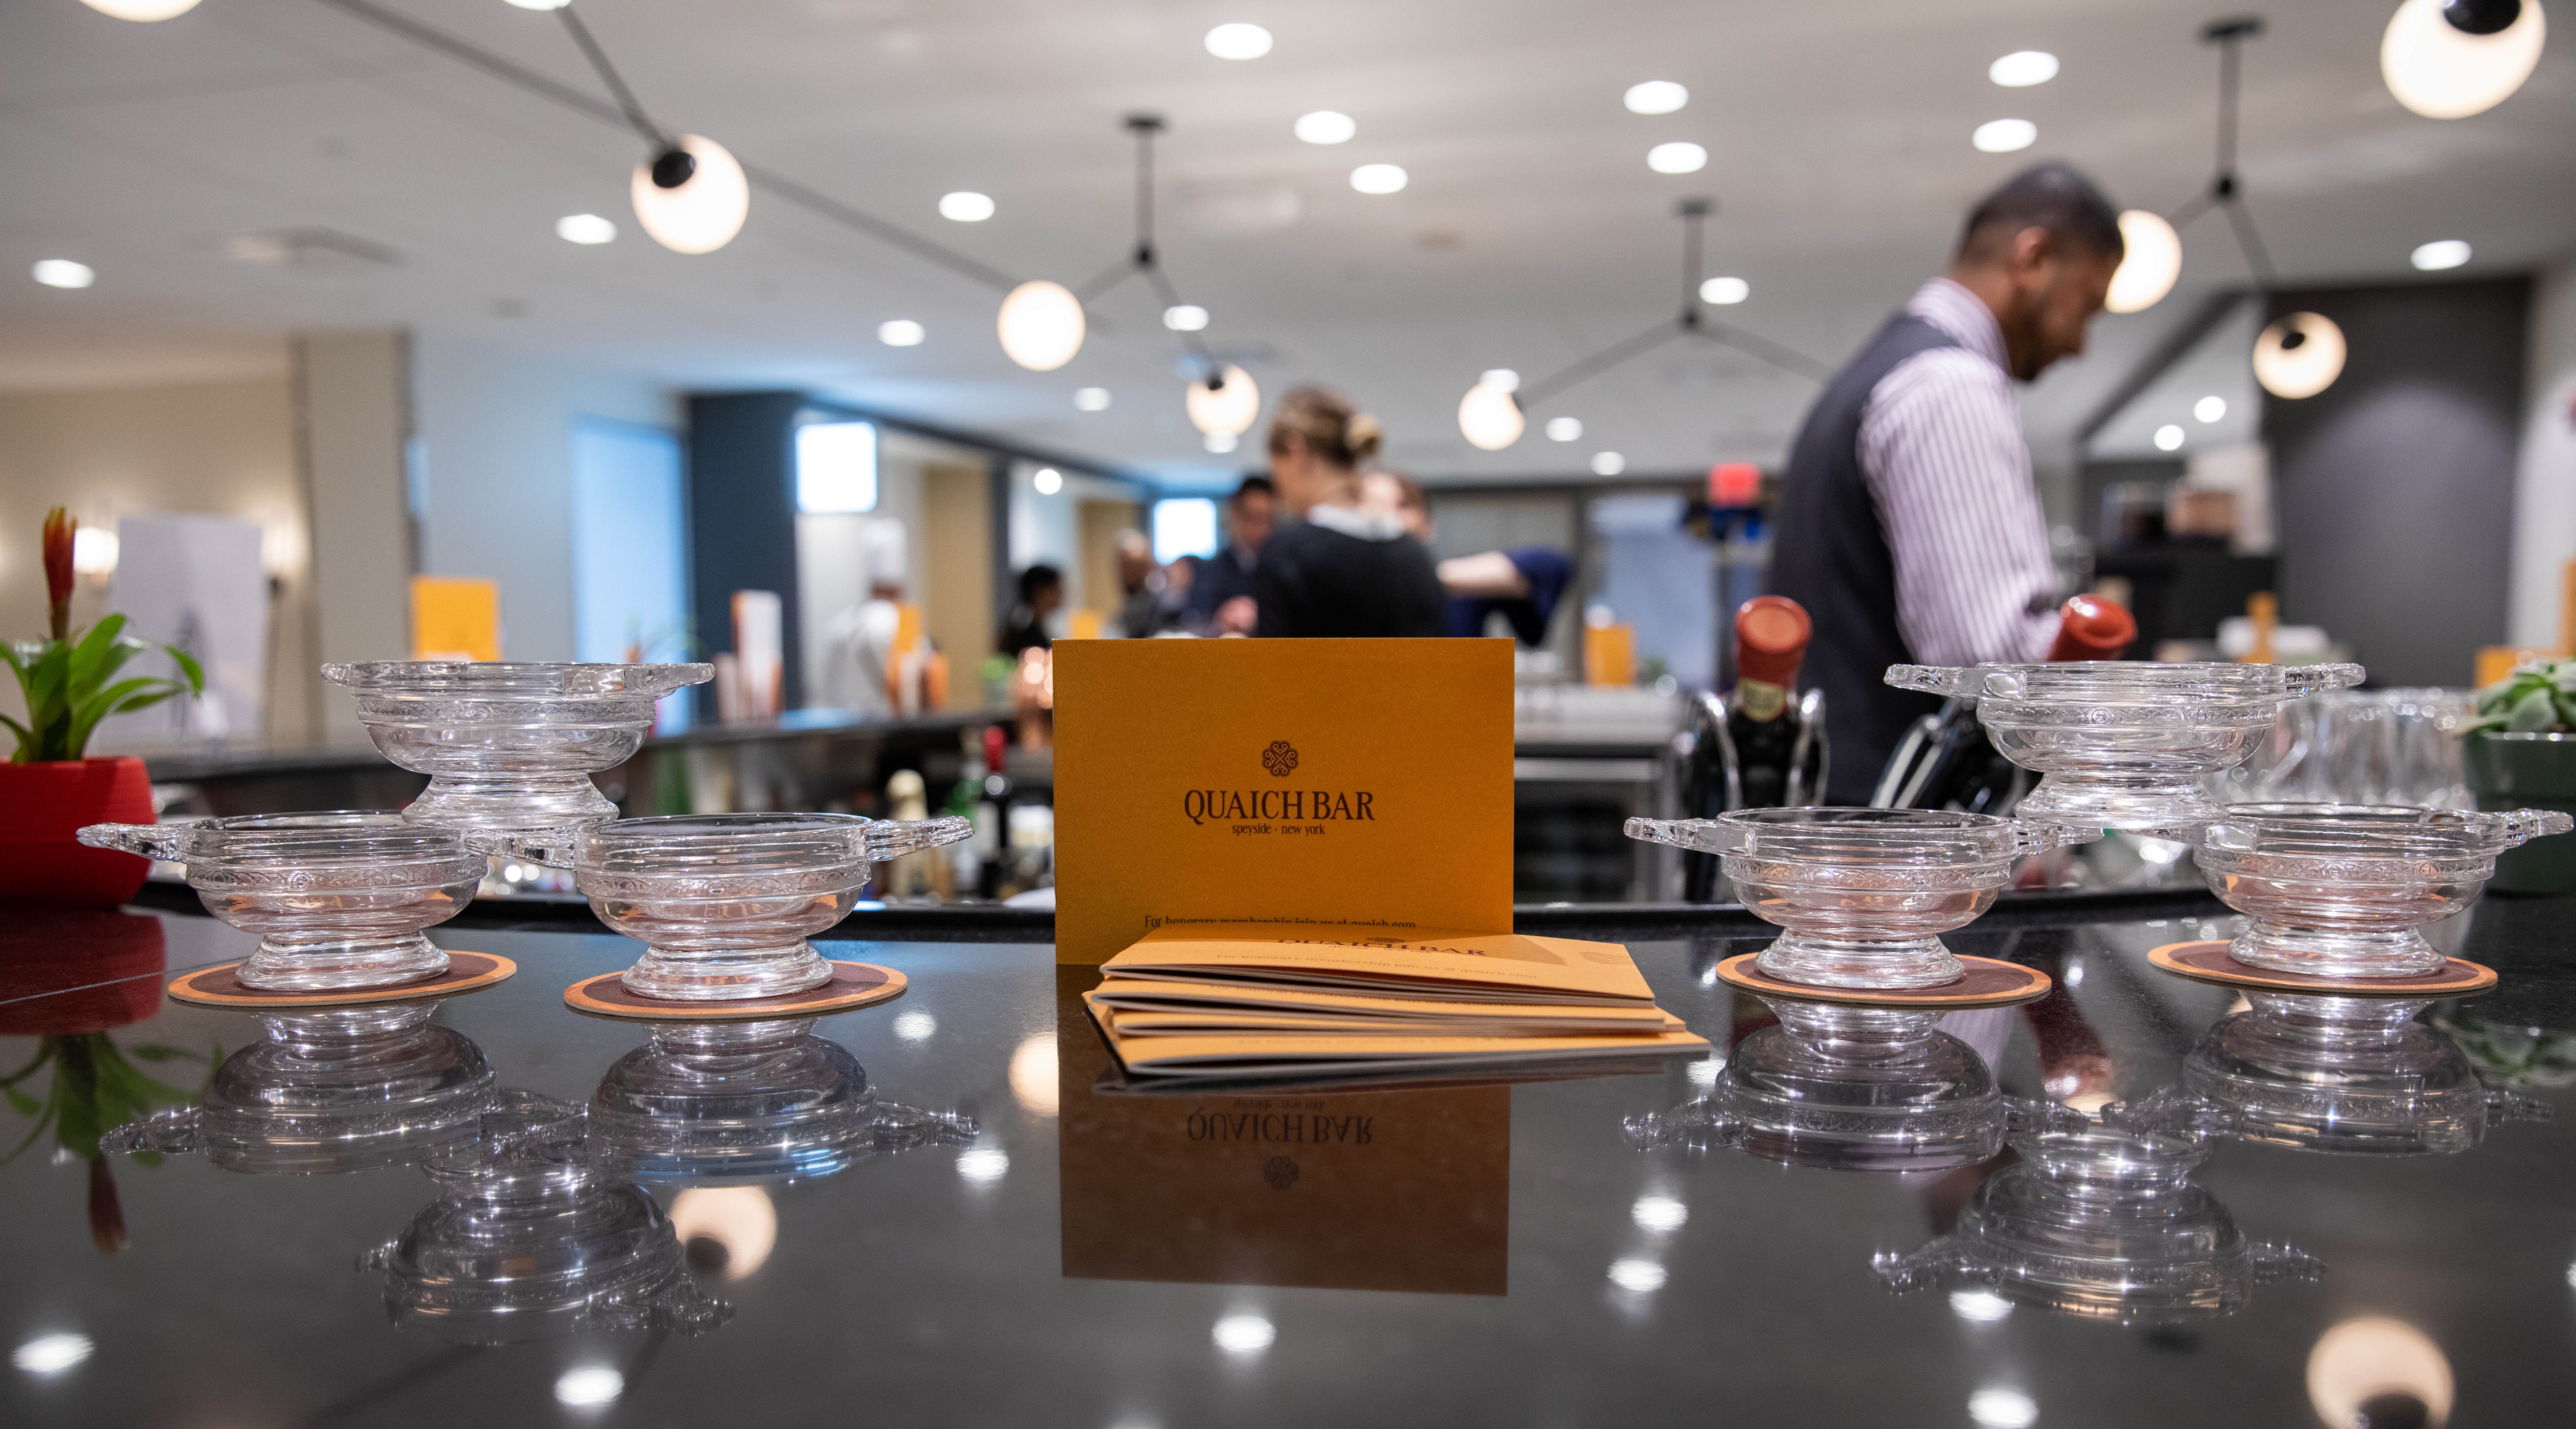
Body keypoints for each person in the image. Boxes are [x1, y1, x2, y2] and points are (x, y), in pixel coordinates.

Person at [1768, 161, 2123, 804]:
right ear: (2034, 258)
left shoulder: (1886, 369)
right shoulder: (1950, 387)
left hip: (1841, 828)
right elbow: (1989, 665)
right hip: (1891, 853)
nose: (2080, 344)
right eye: (2088, 304)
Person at [1254, 388, 1444, 639]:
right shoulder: (1415, 554)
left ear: (1297, 451)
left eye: (1275, 468)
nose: (1278, 486)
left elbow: (1273, 671)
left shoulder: (1287, 553)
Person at [1187, 475, 1277, 635]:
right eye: (1252, 517)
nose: (1260, 527)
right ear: (1236, 515)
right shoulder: (1209, 570)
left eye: (1267, 519)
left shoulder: (1283, 571)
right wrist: (1221, 620)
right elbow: (1192, 625)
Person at [999, 564, 1061, 657]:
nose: (1061, 594)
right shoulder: (1030, 638)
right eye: (1056, 589)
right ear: (1040, 592)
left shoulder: (1024, 629)